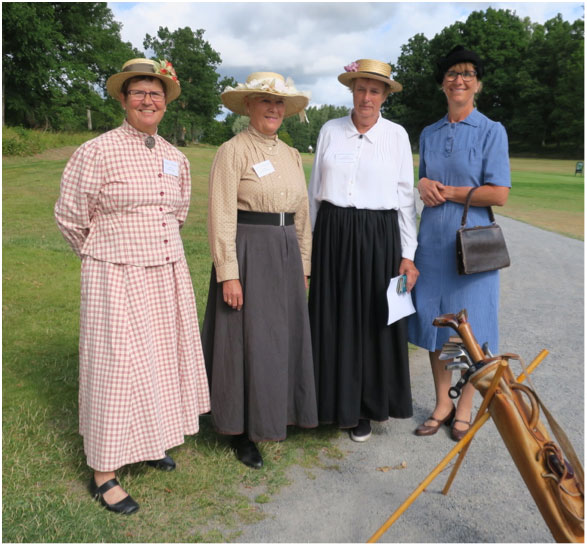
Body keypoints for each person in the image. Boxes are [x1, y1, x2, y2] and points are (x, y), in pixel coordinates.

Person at [54, 58, 210, 514]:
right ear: (123, 99)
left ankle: (150, 442)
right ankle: (104, 473)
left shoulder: (175, 157)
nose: (148, 100)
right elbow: (69, 217)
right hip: (115, 274)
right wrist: (104, 254)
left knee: (159, 360)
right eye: (139, 92)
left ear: (166, 103)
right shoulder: (96, 151)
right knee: (116, 367)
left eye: (156, 94)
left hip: (165, 270)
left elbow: (177, 214)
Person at [202, 72, 318, 469]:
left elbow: (302, 214)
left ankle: (278, 412)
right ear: (249, 106)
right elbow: (219, 212)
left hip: (286, 253)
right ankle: (243, 429)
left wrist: (304, 264)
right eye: (264, 102)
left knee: (278, 338)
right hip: (249, 252)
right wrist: (228, 272)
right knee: (246, 339)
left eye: (278, 103)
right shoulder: (232, 151)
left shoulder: (290, 155)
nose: (273, 109)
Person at [308, 59, 419, 442]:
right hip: (333, 232)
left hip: (379, 237)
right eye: (360, 89)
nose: (366, 97)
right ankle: (326, 402)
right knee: (332, 317)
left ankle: (363, 408)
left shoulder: (397, 136)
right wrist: (309, 247)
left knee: (373, 321)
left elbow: (406, 199)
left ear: (385, 95)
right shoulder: (330, 130)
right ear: (351, 91)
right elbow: (314, 195)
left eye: (374, 90)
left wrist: (409, 255)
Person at [408, 46, 511, 441]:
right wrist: (422, 184)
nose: (459, 80)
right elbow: (420, 181)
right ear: (442, 84)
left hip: (473, 245)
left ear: (478, 84)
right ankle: (442, 402)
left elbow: (499, 194)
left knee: (470, 328)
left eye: (468, 73)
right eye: (452, 73)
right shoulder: (429, 133)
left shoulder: (491, 131)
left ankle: (465, 405)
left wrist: (448, 192)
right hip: (432, 241)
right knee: (439, 324)